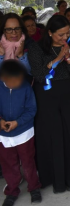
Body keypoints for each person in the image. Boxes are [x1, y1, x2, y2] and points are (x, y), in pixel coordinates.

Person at [28, 15, 70, 193]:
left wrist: (68, 58)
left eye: (67, 33)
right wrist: (57, 58)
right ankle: (53, 177)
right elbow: (38, 74)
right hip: (47, 95)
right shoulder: (37, 48)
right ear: (50, 33)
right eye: (60, 34)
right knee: (51, 133)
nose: (64, 37)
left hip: (69, 93)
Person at [0, 60, 42, 206]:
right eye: (14, 80)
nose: (18, 83)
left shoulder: (25, 88)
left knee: (28, 162)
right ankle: (12, 190)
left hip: (24, 133)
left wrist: (17, 122)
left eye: (20, 79)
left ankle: (34, 187)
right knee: (9, 164)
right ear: (3, 78)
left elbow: (32, 110)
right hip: (3, 136)